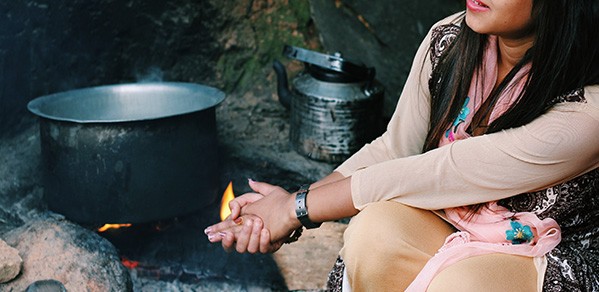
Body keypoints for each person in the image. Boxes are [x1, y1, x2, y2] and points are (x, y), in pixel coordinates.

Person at [205, 0, 599, 290]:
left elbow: (446, 169)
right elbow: (395, 150)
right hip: (450, 223)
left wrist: (296, 209)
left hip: (545, 255)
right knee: (372, 231)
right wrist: (286, 208)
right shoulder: (450, 41)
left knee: (460, 287)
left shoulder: (589, 106)